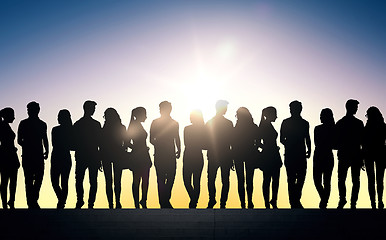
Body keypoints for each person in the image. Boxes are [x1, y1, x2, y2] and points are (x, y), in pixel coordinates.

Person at [17, 101, 49, 209]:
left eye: (31, 109)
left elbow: (45, 139)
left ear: (37, 110)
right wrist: (27, 145)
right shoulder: (23, 123)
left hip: (38, 155)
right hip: (28, 155)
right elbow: (19, 140)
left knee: (38, 178)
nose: (29, 111)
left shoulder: (42, 124)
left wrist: (47, 150)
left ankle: (33, 199)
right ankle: (31, 202)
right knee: (29, 179)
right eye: (28, 110)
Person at [280, 100, 311, 209]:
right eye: (291, 108)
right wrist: (290, 144)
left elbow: (307, 137)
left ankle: (295, 199)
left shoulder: (304, 123)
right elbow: (281, 139)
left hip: (300, 154)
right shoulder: (286, 122)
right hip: (291, 154)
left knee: (300, 178)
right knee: (291, 178)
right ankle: (294, 202)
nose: (292, 110)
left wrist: (309, 149)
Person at [150, 101, 181, 208]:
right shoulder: (155, 122)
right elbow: (151, 139)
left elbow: (177, 137)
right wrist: (159, 145)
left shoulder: (175, 123)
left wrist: (179, 149)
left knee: (171, 177)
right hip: (160, 154)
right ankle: (163, 203)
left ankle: (165, 199)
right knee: (161, 179)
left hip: (170, 154)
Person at [336, 99, 364, 209]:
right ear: (350, 108)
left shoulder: (340, 123)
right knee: (354, 180)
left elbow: (336, 140)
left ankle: (343, 199)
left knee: (342, 179)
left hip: (345, 154)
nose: (357, 109)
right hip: (354, 154)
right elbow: (362, 141)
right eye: (355, 107)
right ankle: (352, 202)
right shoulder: (358, 123)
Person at [73, 100, 102, 209]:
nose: (94, 111)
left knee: (81, 180)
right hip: (90, 156)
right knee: (91, 180)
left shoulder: (78, 124)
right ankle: (88, 202)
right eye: (93, 108)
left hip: (83, 155)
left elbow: (74, 142)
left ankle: (81, 201)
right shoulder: (95, 124)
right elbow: (100, 143)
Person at [206, 100, 233, 209]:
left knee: (212, 178)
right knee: (225, 180)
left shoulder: (210, 122)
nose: (226, 110)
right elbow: (232, 141)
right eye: (225, 107)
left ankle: (213, 199)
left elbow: (205, 140)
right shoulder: (228, 123)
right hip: (224, 154)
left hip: (214, 154)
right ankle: (222, 202)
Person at [126, 107, 152, 209]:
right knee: (138, 180)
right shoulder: (134, 126)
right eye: (144, 114)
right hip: (138, 156)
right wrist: (138, 148)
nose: (146, 116)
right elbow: (127, 142)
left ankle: (142, 201)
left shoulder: (137, 125)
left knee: (143, 180)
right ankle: (138, 202)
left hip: (143, 155)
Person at [233, 107, 258, 209]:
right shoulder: (253, 126)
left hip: (239, 155)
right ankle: (249, 201)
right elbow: (258, 140)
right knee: (249, 180)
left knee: (241, 180)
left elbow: (232, 144)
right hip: (249, 154)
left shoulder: (236, 128)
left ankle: (243, 203)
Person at [100, 108, 125, 209]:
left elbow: (101, 145)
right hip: (117, 155)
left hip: (107, 156)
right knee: (117, 181)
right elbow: (125, 142)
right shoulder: (121, 127)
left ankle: (111, 203)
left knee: (109, 181)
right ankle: (117, 202)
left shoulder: (104, 129)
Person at [258, 107, 282, 209]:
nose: (276, 116)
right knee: (268, 179)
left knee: (273, 179)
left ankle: (272, 200)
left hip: (273, 154)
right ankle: (268, 202)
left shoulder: (267, 125)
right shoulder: (264, 126)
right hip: (269, 155)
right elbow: (258, 143)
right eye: (275, 114)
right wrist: (268, 147)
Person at [362, 106, 386, 209]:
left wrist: (362, 158)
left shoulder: (367, 128)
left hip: (369, 155)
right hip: (380, 154)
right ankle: (379, 201)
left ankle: (374, 203)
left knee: (371, 180)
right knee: (379, 179)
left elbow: (363, 144)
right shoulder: (383, 126)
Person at [183, 110, 207, 208]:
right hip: (193, 155)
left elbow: (206, 144)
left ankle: (194, 202)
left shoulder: (202, 129)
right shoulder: (188, 129)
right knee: (189, 180)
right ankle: (193, 198)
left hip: (192, 155)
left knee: (195, 181)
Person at [313, 108, 336, 209]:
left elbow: (335, 144)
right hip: (321, 155)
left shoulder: (331, 129)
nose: (320, 117)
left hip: (323, 155)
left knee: (326, 181)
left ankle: (324, 202)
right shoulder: (318, 128)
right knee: (318, 180)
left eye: (322, 115)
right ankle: (324, 198)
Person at [51, 109, 73, 209]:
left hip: (60, 156)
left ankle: (61, 202)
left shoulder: (67, 130)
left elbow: (74, 145)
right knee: (56, 181)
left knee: (63, 181)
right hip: (59, 156)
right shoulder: (56, 129)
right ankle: (61, 199)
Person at [0, 108, 20, 209]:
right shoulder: (2, 126)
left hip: (10, 156)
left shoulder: (5, 126)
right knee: (6, 181)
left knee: (10, 181)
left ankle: (10, 202)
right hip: (6, 157)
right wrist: (6, 149)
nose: (14, 117)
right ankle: (7, 203)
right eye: (12, 115)